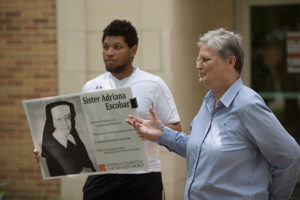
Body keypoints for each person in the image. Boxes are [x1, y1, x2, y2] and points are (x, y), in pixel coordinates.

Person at [126, 28, 300, 200]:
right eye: (198, 59)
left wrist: (274, 198)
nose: (198, 65)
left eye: (205, 59)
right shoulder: (209, 101)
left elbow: (290, 155)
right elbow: (199, 149)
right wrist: (162, 134)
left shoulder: (248, 105)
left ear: (230, 62)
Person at [35, 19, 181, 200]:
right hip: (101, 177)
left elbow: (176, 129)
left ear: (133, 50)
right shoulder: (91, 86)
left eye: (117, 47)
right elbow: (81, 136)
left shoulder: (153, 84)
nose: (109, 53)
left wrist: (154, 132)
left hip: (143, 178)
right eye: (105, 47)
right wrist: (50, 153)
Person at [42, 101, 96, 177]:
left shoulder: (73, 137)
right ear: (52, 122)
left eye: (67, 117)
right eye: (59, 119)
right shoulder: (50, 145)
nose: (65, 123)